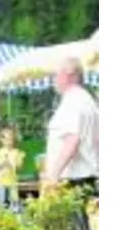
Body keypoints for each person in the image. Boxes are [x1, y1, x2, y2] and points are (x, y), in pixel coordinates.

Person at [43, 57, 100, 200]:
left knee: (72, 222)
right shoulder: (89, 101)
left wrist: (53, 176)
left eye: (57, 74)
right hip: (89, 177)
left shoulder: (72, 102)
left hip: (72, 180)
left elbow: (72, 141)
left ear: (70, 75)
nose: (54, 80)